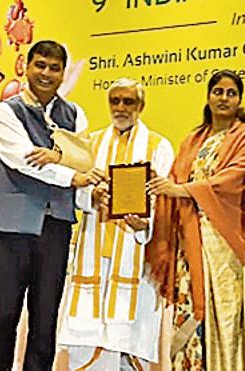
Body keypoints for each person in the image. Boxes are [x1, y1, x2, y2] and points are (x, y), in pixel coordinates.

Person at [0, 40, 102, 370]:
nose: (46, 73)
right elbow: (22, 159)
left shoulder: (75, 113)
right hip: (12, 229)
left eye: (54, 68)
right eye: (40, 65)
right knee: (4, 315)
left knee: (45, 319)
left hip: (57, 227)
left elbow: (84, 161)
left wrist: (66, 164)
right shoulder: (8, 111)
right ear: (26, 67)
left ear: (64, 73)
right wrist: (70, 172)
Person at [146, 69, 245, 370]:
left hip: (224, 246)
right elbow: (170, 186)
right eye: (218, 91)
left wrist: (181, 190)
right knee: (188, 316)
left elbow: (232, 180)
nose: (224, 98)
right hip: (189, 245)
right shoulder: (192, 141)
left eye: (231, 93)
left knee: (224, 320)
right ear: (208, 96)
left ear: (239, 100)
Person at [57, 78, 174, 370]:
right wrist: (90, 196)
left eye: (128, 102)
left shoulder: (159, 146)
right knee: (87, 340)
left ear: (141, 106)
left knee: (128, 342)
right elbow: (72, 190)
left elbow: (164, 202)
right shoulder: (92, 143)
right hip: (92, 249)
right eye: (115, 101)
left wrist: (142, 225)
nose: (120, 108)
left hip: (135, 255)